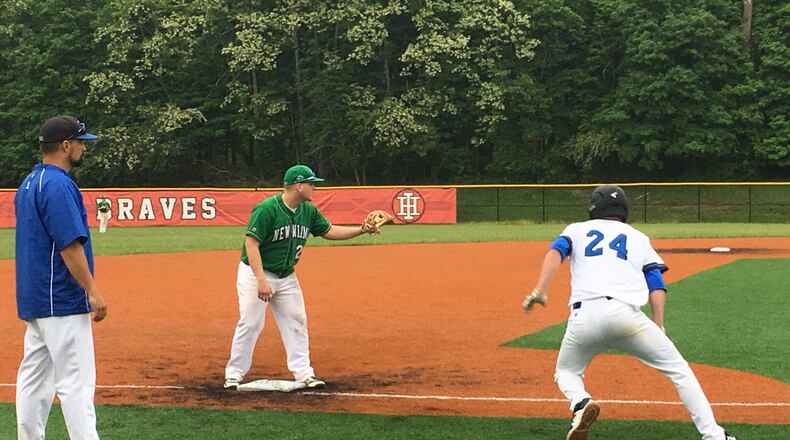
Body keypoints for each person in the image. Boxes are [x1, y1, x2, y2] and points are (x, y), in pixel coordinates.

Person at [522, 185, 737, 440]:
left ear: (593, 208)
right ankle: (714, 436)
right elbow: (655, 281)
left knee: (567, 372)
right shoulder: (638, 237)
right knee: (679, 371)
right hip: (627, 317)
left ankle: (580, 403)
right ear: (624, 210)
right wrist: (658, 324)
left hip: (584, 318)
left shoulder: (576, 230)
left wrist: (541, 290)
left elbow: (555, 251)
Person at [224, 164, 383, 389]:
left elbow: (328, 231)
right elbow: (251, 244)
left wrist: (362, 229)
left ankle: (304, 373)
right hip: (255, 272)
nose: (314, 188)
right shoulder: (267, 209)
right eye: (311, 183)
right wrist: (261, 280)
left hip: (286, 275)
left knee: (296, 321)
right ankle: (234, 373)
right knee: (251, 323)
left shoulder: (308, 211)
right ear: (298, 186)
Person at [14, 115, 108, 439]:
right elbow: (69, 244)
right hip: (62, 300)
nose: (84, 147)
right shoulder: (58, 184)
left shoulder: (28, 183)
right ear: (66, 145)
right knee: (76, 384)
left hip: (35, 299)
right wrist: (92, 290)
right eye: (81, 141)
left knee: (33, 380)